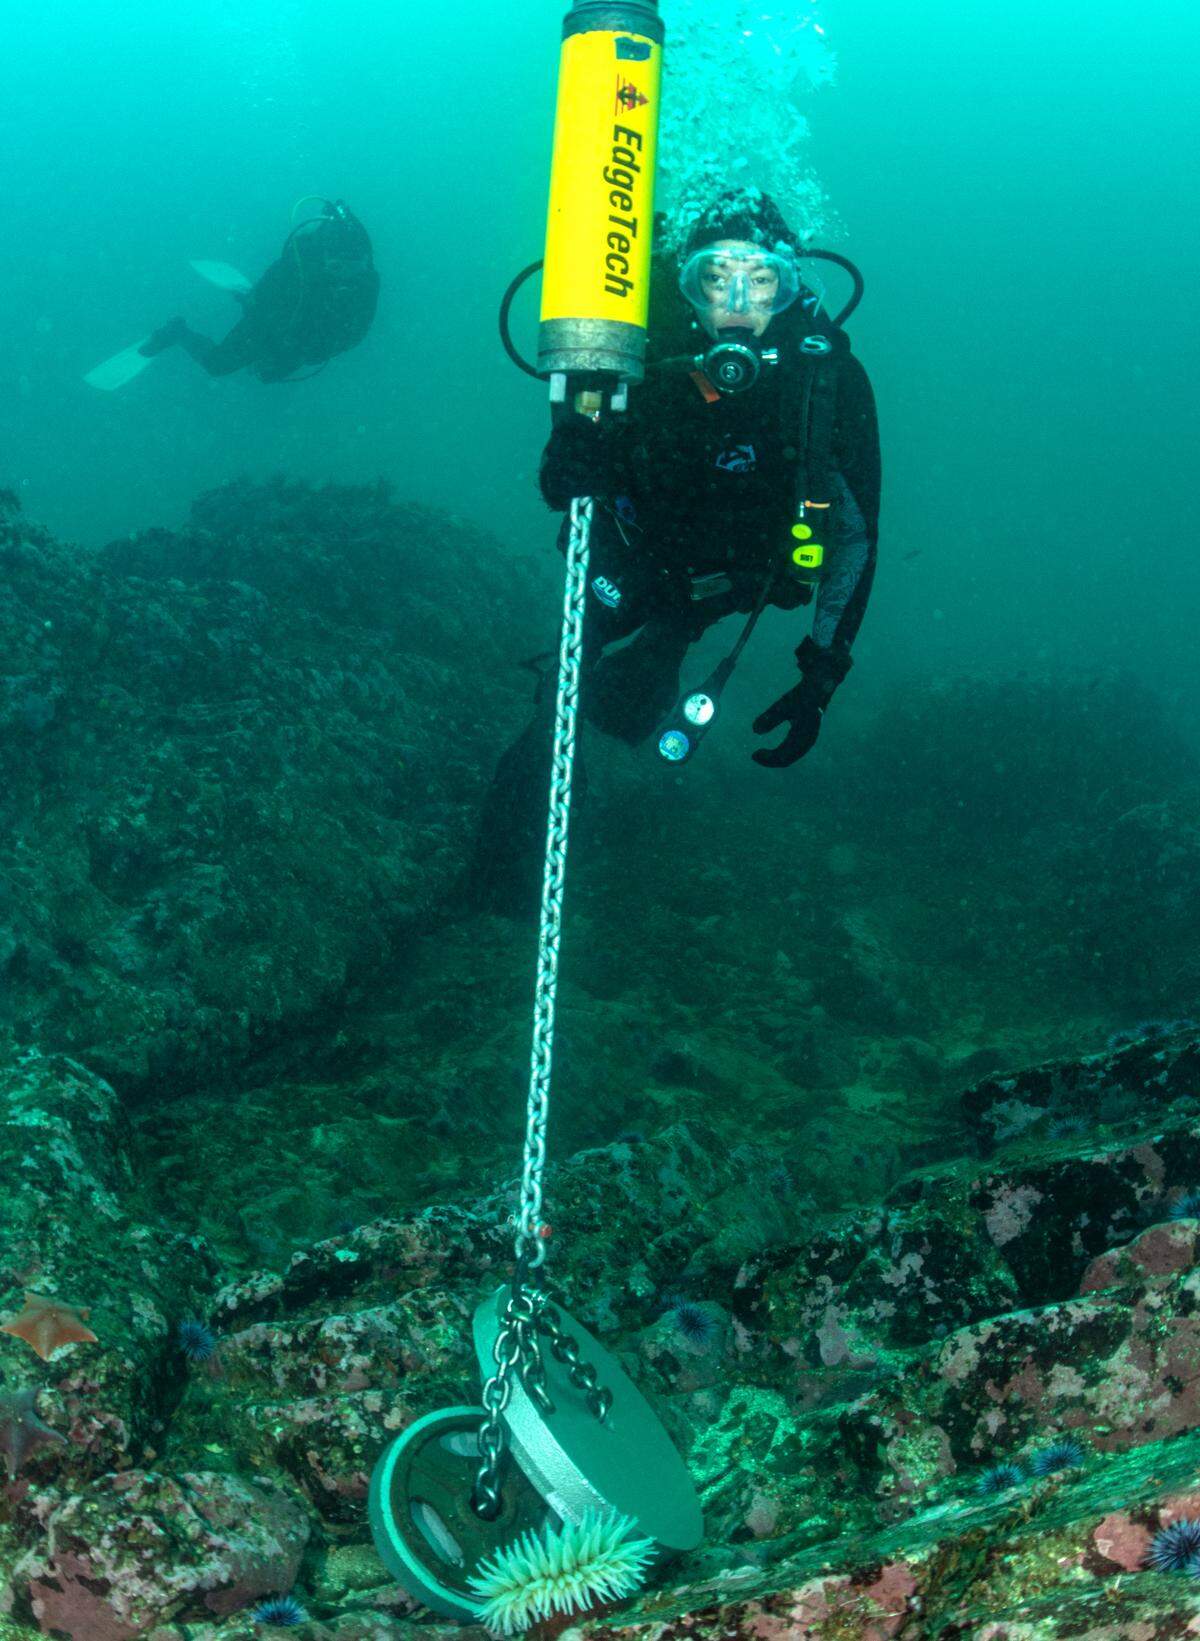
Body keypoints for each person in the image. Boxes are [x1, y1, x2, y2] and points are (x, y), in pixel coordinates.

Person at [472, 186, 881, 911]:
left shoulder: (828, 380)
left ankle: (662, 646)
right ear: (683, 283)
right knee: (561, 701)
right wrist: (568, 460)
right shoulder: (631, 353)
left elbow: (852, 534)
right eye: (712, 278)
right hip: (624, 561)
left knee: (638, 695)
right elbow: (564, 468)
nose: (736, 302)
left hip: (719, 589)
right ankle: (506, 871)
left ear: (790, 288)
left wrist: (822, 670)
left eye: (762, 280)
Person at [140, 199, 379, 382]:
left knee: (266, 374)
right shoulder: (298, 266)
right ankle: (177, 330)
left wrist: (300, 355)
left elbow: (355, 333)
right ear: (325, 258)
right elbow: (265, 304)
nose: (344, 276)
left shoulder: (366, 283)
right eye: (337, 267)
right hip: (272, 320)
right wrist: (272, 339)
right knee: (217, 365)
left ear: (365, 262)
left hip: (302, 337)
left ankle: (249, 307)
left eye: (353, 267)